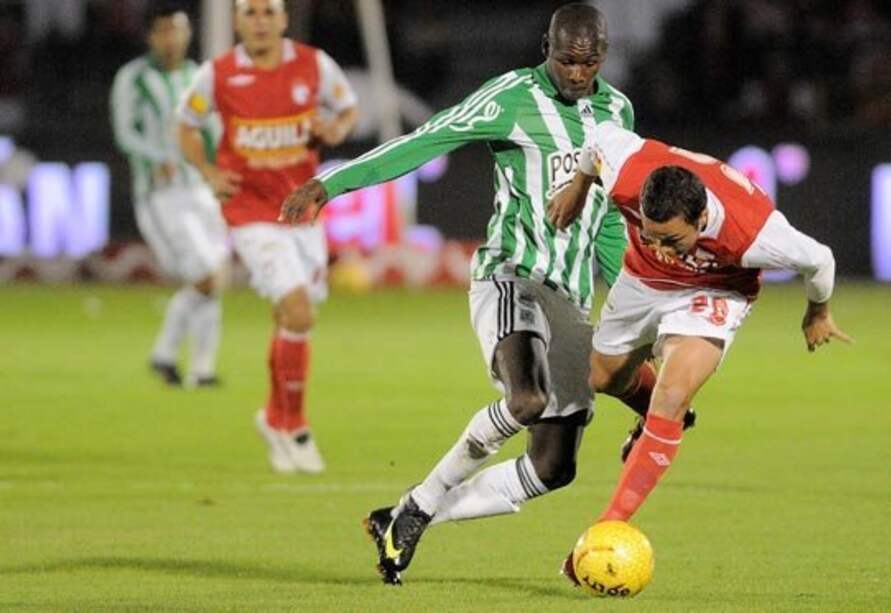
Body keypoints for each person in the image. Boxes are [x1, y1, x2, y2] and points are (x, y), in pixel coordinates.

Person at [281, 3, 649, 585]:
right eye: (566, 60)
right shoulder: (510, 96)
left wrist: (633, 302)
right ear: (545, 48)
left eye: (589, 63)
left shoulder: (618, 111)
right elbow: (427, 139)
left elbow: (606, 220)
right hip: (512, 276)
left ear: (603, 58)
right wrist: (333, 182)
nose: (577, 74)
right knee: (525, 400)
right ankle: (423, 503)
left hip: (572, 298)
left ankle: (402, 515)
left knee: (554, 468)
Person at [547, 121, 851, 581]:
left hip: (713, 291)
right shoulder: (630, 171)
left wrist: (818, 312)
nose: (661, 246)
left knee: (672, 392)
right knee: (604, 377)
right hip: (641, 281)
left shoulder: (753, 231)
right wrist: (578, 187)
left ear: (702, 219)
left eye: (672, 239)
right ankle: (660, 423)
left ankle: (608, 526)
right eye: (650, 233)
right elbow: (597, 138)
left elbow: (820, 258)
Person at [177, 0, 358, 473]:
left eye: (268, 12)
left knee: (292, 317)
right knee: (297, 311)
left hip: (302, 209)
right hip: (251, 212)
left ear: (283, 19)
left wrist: (333, 128)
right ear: (237, 21)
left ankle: (274, 417)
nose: (259, 20)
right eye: (250, 12)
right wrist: (209, 171)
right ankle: (295, 426)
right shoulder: (217, 74)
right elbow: (186, 124)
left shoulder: (314, 64)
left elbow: (347, 110)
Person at [111, 2, 227, 388]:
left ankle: (199, 369)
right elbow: (125, 132)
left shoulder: (197, 76)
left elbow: (213, 129)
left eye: (177, 30)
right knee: (205, 276)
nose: (172, 38)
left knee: (214, 276)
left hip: (200, 190)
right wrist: (157, 156)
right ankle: (173, 356)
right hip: (161, 194)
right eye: (164, 31)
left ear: (188, 33)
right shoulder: (134, 78)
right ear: (151, 36)